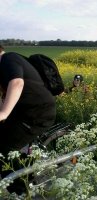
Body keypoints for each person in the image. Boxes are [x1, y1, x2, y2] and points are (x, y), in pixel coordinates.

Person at [0, 51, 56, 194]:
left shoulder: (8, 58)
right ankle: (25, 174)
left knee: (3, 148)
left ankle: (21, 193)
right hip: (25, 113)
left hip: (37, 114)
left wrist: (4, 113)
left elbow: (17, 83)